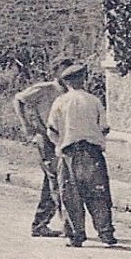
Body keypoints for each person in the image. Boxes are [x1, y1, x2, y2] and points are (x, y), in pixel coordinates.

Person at [46, 59, 118, 248]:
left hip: (69, 153)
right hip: (93, 153)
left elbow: (52, 130)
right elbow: (104, 127)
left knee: (70, 195)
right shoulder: (94, 101)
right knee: (99, 194)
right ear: (83, 80)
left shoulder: (60, 102)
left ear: (66, 82)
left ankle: (75, 235)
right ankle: (106, 233)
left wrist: (60, 145)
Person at [11, 67, 68, 237]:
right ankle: (67, 225)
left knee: (52, 180)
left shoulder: (71, 92)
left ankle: (40, 223)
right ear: (57, 73)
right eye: (64, 72)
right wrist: (26, 125)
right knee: (56, 179)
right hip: (45, 138)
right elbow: (18, 99)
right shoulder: (44, 89)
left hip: (62, 139)